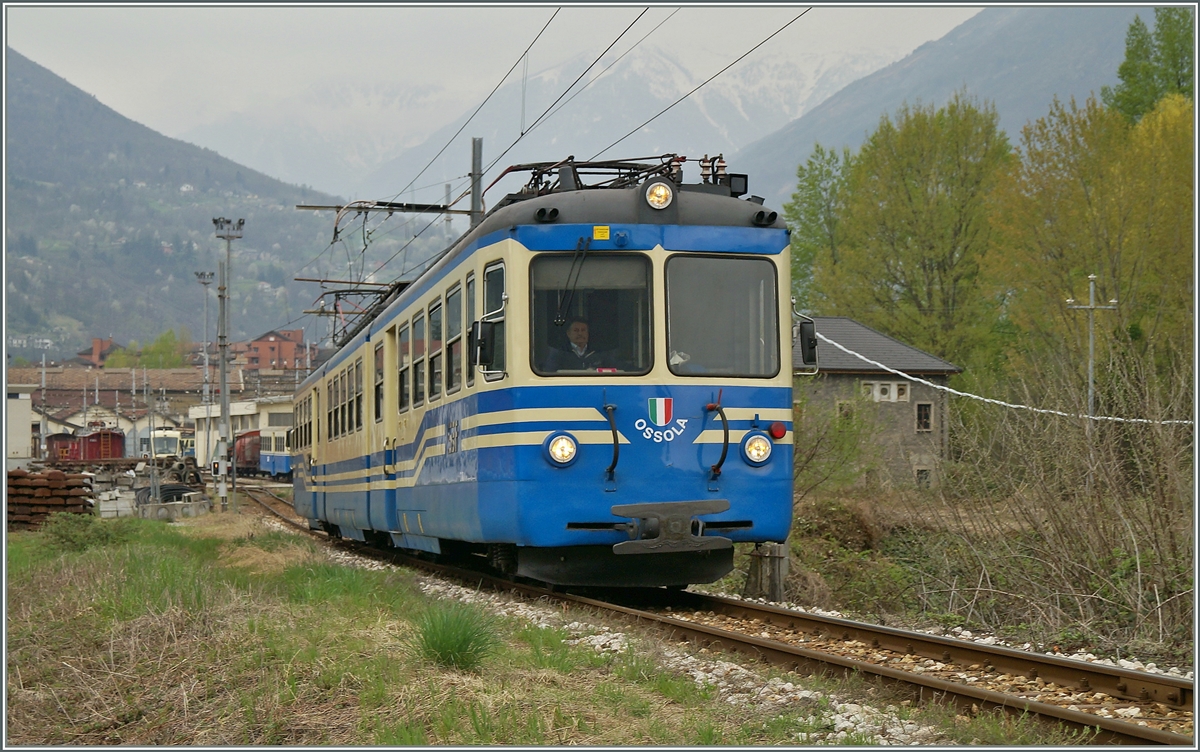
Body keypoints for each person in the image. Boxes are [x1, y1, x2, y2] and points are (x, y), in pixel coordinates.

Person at [543, 317, 612, 371]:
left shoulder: (599, 352)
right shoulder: (559, 353)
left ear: (588, 333)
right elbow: (550, 372)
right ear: (568, 333)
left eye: (583, 330)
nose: (580, 333)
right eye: (576, 330)